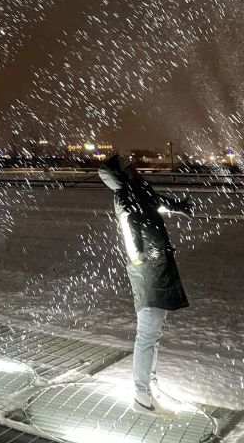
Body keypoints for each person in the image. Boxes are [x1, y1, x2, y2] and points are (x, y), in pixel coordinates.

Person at [99, 154, 193, 413]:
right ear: (122, 173)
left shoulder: (139, 189)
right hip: (147, 269)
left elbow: (157, 204)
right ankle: (141, 394)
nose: (135, 167)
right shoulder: (124, 194)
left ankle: (151, 385)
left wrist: (178, 207)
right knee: (148, 332)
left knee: (154, 333)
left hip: (156, 263)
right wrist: (138, 256)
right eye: (130, 166)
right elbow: (127, 225)